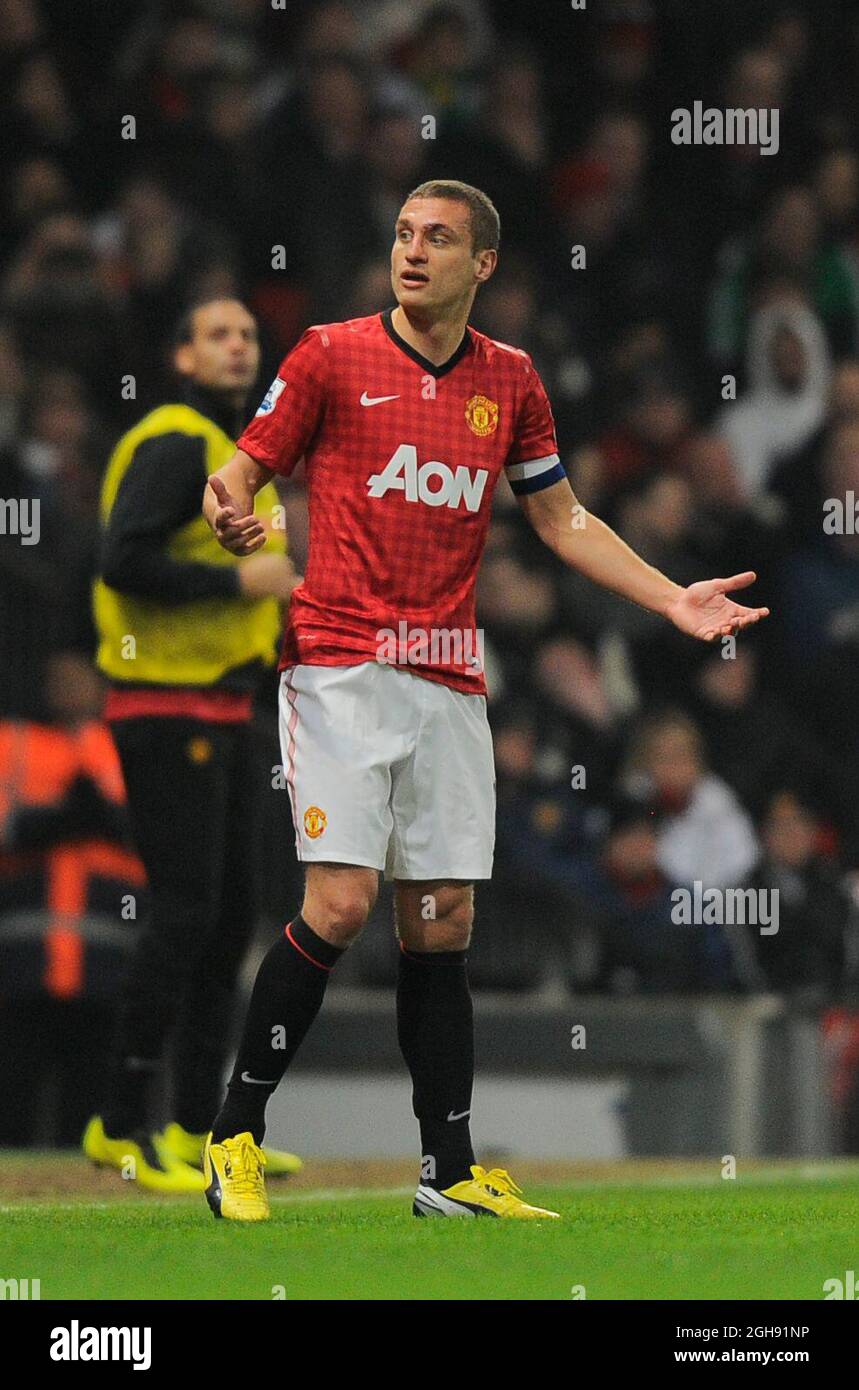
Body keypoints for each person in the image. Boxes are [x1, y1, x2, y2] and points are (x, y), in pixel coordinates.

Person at [201, 180, 768, 1222]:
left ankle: (447, 1170)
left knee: (442, 921)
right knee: (338, 902)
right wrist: (234, 509)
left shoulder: (508, 381)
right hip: (339, 665)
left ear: (483, 265)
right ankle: (234, 1134)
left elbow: (562, 521)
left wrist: (671, 595)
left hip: (451, 678)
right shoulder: (329, 353)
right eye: (404, 234)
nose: (413, 252)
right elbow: (237, 474)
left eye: (439, 238)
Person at [83, 298, 302, 1191]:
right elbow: (122, 561)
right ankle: (121, 1123)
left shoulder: (242, 456)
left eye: (248, 333)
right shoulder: (175, 441)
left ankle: (201, 1129)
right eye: (216, 332)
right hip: (163, 705)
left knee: (225, 919)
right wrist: (236, 580)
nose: (238, 345)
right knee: (183, 912)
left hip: (225, 708)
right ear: (181, 353)